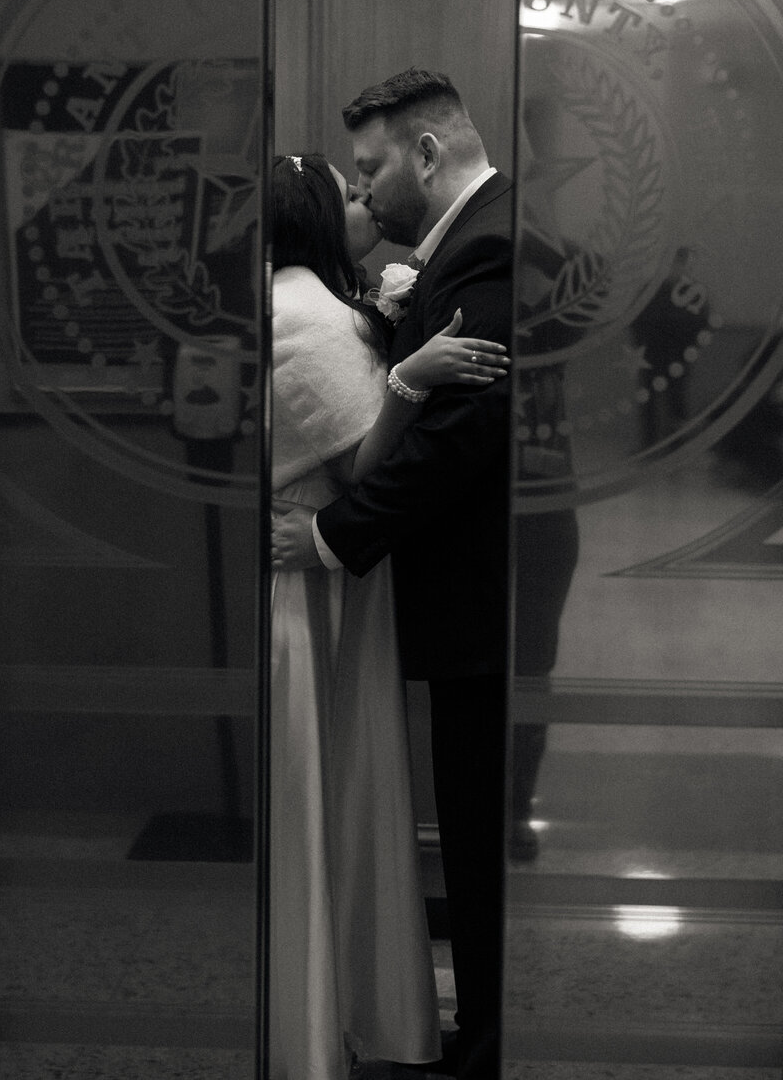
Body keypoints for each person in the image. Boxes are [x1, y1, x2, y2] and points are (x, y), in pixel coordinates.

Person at [271, 69, 579, 1080]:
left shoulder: (484, 242)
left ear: (425, 153)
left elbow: (458, 436)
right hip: (479, 578)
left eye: (370, 169)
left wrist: (329, 537)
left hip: (486, 583)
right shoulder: (460, 241)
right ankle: (484, 1031)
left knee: (481, 818)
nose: (363, 192)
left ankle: (490, 1045)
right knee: (473, 810)